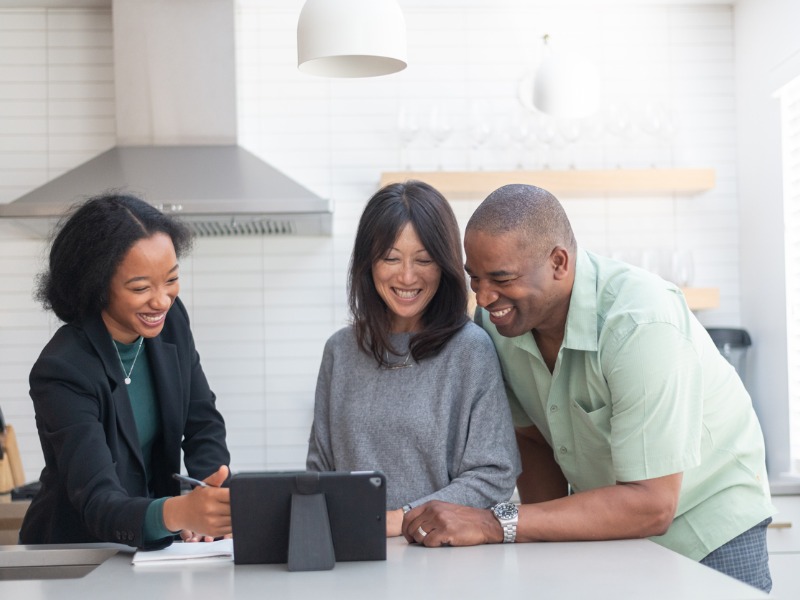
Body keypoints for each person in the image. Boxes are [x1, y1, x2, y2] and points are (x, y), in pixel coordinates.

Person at [402, 184, 775, 592]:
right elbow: (532, 440)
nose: (485, 297)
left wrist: (497, 523)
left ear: (559, 262)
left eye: (502, 278)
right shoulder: (498, 325)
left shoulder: (639, 324)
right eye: (475, 278)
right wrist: (544, 554)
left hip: (708, 523)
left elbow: (652, 504)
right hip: (614, 530)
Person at [306, 180, 521, 537]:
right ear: (367, 263)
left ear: (445, 265)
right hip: (351, 552)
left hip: (441, 557)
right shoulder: (339, 352)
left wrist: (400, 520)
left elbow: (493, 475)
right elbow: (319, 471)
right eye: (390, 258)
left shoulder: (470, 350)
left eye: (424, 260)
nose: (407, 276)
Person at [19, 193, 231, 549]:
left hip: (152, 548)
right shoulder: (63, 368)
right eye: (141, 288)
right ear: (97, 285)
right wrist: (178, 513)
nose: (162, 300)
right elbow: (97, 500)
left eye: (171, 280)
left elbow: (202, 422)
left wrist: (207, 488)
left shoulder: (173, 324)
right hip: (77, 552)